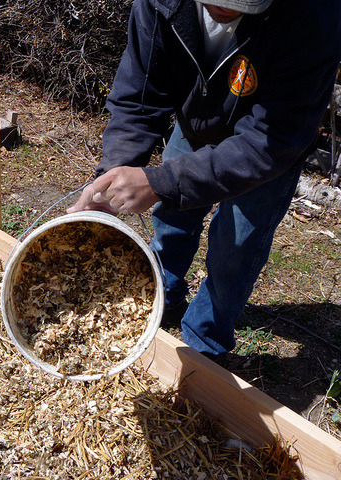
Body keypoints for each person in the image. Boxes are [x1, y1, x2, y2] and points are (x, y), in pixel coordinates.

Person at [67, 0, 341, 361]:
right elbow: (139, 96)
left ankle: (204, 344)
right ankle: (161, 295)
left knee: (236, 248)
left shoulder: (314, 19)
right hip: (197, 124)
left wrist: (161, 181)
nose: (225, 8)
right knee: (170, 218)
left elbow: (271, 140)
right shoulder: (160, 4)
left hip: (269, 147)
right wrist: (114, 173)